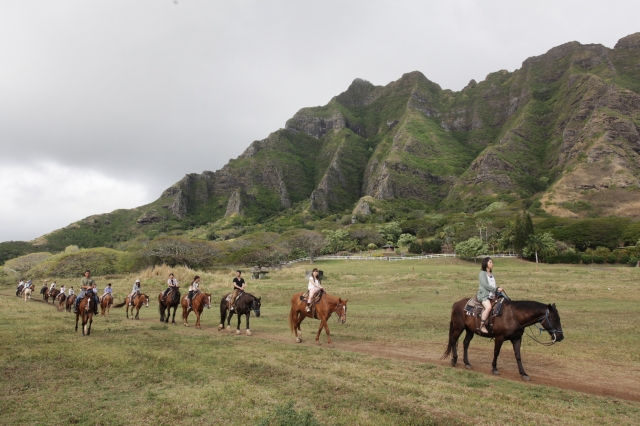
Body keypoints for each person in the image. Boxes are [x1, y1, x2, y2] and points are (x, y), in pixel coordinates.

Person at [477, 257, 503, 334]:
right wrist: (496, 289)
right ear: (486, 264)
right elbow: (485, 285)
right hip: (484, 295)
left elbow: (493, 284)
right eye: (490, 262)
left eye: (492, 262)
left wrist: (498, 291)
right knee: (488, 308)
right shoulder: (482, 273)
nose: (492, 264)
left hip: (492, 295)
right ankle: (482, 325)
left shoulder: (491, 274)